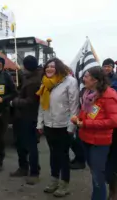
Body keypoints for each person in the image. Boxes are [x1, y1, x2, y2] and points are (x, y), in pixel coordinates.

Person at [72, 66, 117, 200]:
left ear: (95, 80)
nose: (83, 78)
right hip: (86, 138)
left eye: (86, 76)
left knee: (98, 175)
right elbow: (86, 112)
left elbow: (113, 121)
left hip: (100, 142)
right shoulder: (88, 93)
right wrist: (79, 119)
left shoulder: (109, 96)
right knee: (94, 173)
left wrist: (85, 124)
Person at [36, 58, 79, 197]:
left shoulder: (70, 81)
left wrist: (71, 127)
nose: (49, 69)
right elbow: (42, 106)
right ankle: (54, 180)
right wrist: (40, 123)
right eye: (47, 66)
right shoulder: (45, 83)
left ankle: (64, 184)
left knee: (63, 156)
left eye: (52, 66)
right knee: (53, 154)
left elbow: (74, 106)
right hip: (49, 125)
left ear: (59, 67)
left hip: (64, 125)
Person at [9, 55, 43, 185]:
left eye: (23, 65)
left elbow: (30, 102)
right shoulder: (27, 77)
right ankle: (23, 167)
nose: (22, 67)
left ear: (28, 66)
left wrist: (14, 102)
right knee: (20, 143)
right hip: (20, 117)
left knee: (31, 145)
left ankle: (34, 172)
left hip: (29, 117)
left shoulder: (34, 81)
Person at [101, 58, 117, 198]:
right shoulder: (99, 82)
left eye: (109, 66)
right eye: (105, 66)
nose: (107, 68)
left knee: (112, 157)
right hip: (104, 124)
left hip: (114, 123)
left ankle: (113, 189)